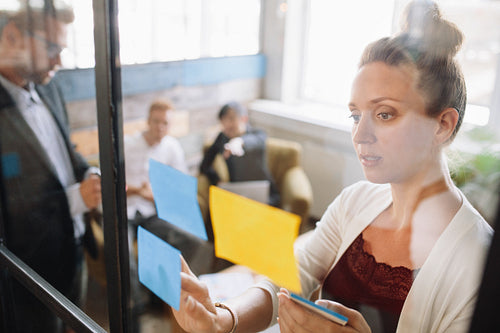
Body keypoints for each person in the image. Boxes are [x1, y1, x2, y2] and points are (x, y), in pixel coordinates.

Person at [171, 1, 493, 332]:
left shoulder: (478, 266)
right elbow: (289, 276)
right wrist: (223, 319)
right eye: (356, 115)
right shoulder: (355, 202)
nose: (360, 134)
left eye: (384, 114)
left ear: (442, 125)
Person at [0, 1, 101, 332]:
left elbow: (64, 151)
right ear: (13, 36)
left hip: (72, 254)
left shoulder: (50, 87)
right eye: (53, 47)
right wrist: (77, 199)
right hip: (29, 279)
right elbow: (10, 215)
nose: (60, 60)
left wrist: (89, 173)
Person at [199, 101, 280, 207]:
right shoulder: (222, 138)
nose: (227, 125)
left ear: (244, 119)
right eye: (224, 123)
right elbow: (204, 165)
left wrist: (239, 142)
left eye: (231, 120)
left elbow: (253, 141)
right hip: (237, 194)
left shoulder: (259, 134)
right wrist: (217, 180)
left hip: (265, 195)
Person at [124, 99, 188, 222]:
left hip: (154, 212)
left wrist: (155, 196)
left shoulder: (173, 147)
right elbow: (113, 185)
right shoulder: (127, 145)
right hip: (125, 211)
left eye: (165, 123)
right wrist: (137, 191)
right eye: (156, 121)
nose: (160, 127)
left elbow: (180, 186)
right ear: (148, 121)